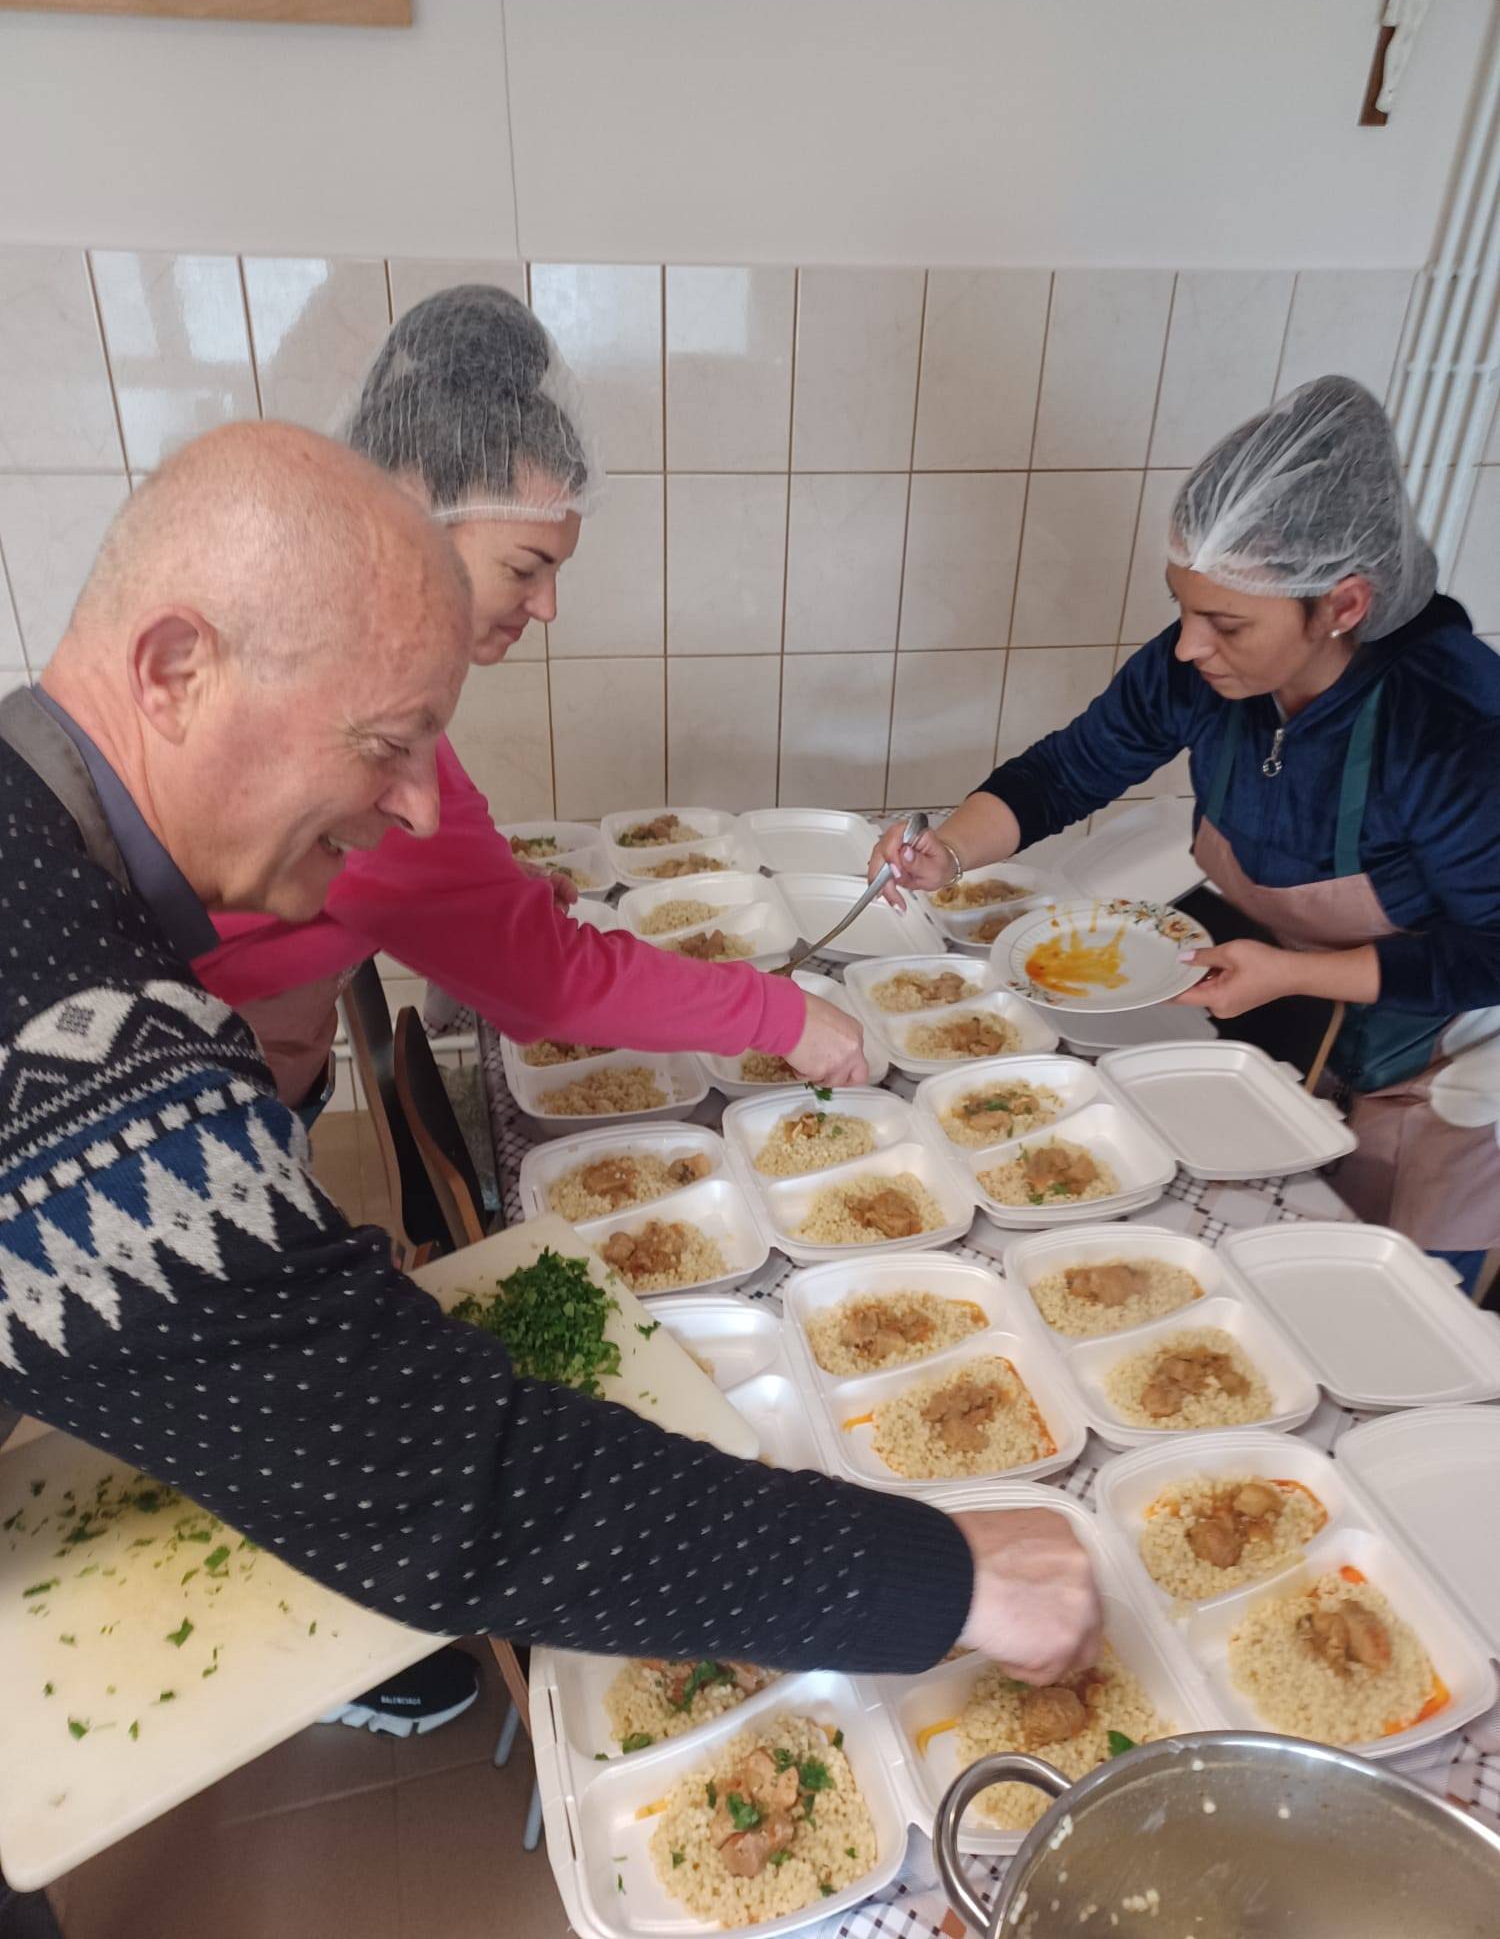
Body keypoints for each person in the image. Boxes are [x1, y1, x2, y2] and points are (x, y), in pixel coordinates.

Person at [0, 421, 1101, 1697]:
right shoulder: (89, 1048)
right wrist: (943, 1576)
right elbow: (439, 1477)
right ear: (176, 669)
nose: (419, 806)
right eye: (386, 744)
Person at [873, 377, 1500, 1287]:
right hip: (1294, 1001)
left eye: (1226, 623)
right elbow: (1069, 768)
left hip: (1448, 1056)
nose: (1188, 646)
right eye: (1184, 607)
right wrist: (952, 850)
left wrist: (1295, 973)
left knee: (1388, 1288)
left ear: (1344, 606)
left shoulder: (1451, 725)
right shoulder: (1202, 670)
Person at [199, 285, 867, 1119]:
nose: (547, 607)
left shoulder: (330, 644)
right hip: (187, 1079)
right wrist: (785, 1016)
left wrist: (488, 887)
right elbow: (547, 984)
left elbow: (411, 866)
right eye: (524, 568)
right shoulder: (344, 710)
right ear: (413, 522)